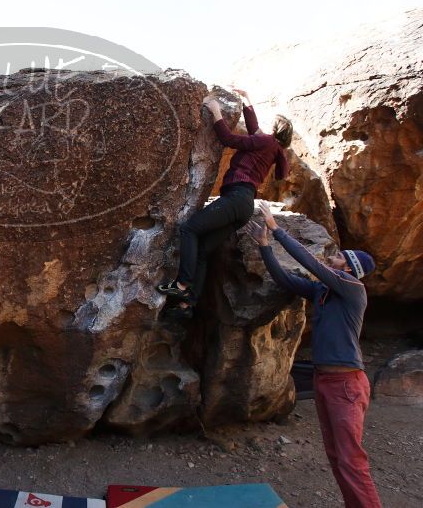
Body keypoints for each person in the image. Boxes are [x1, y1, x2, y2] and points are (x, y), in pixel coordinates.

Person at [245, 201, 382, 508]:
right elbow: (285, 280)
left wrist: (276, 229)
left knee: (351, 460)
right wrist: (265, 246)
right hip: (326, 382)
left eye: (337, 256)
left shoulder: (352, 288)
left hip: (347, 385)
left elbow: (312, 265)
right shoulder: (323, 293)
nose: (330, 256)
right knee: (337, 456)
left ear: (347, 268)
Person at [157, 88, 292, 318]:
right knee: (202, 249)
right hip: (244, 206)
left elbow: (228, 139)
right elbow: (253, 128)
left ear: (275, 130)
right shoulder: (273, 149)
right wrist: (248, 100)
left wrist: (216, 112)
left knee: (189, 229)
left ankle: (181, 286)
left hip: (235, 197)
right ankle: (187, 305)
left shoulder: (266, 142)